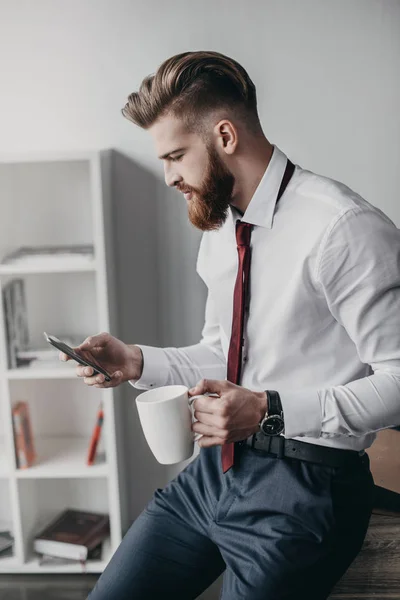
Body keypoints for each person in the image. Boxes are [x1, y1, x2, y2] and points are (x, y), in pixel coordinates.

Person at [61, 51, 400, 599]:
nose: (169, 177)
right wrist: (135, 361)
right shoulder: (219, 232)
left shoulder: (343, 228)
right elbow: (224, 354)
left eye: (175, 156)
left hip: (309, 486)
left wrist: (270, 411)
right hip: (213, 475)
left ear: (224, 136)